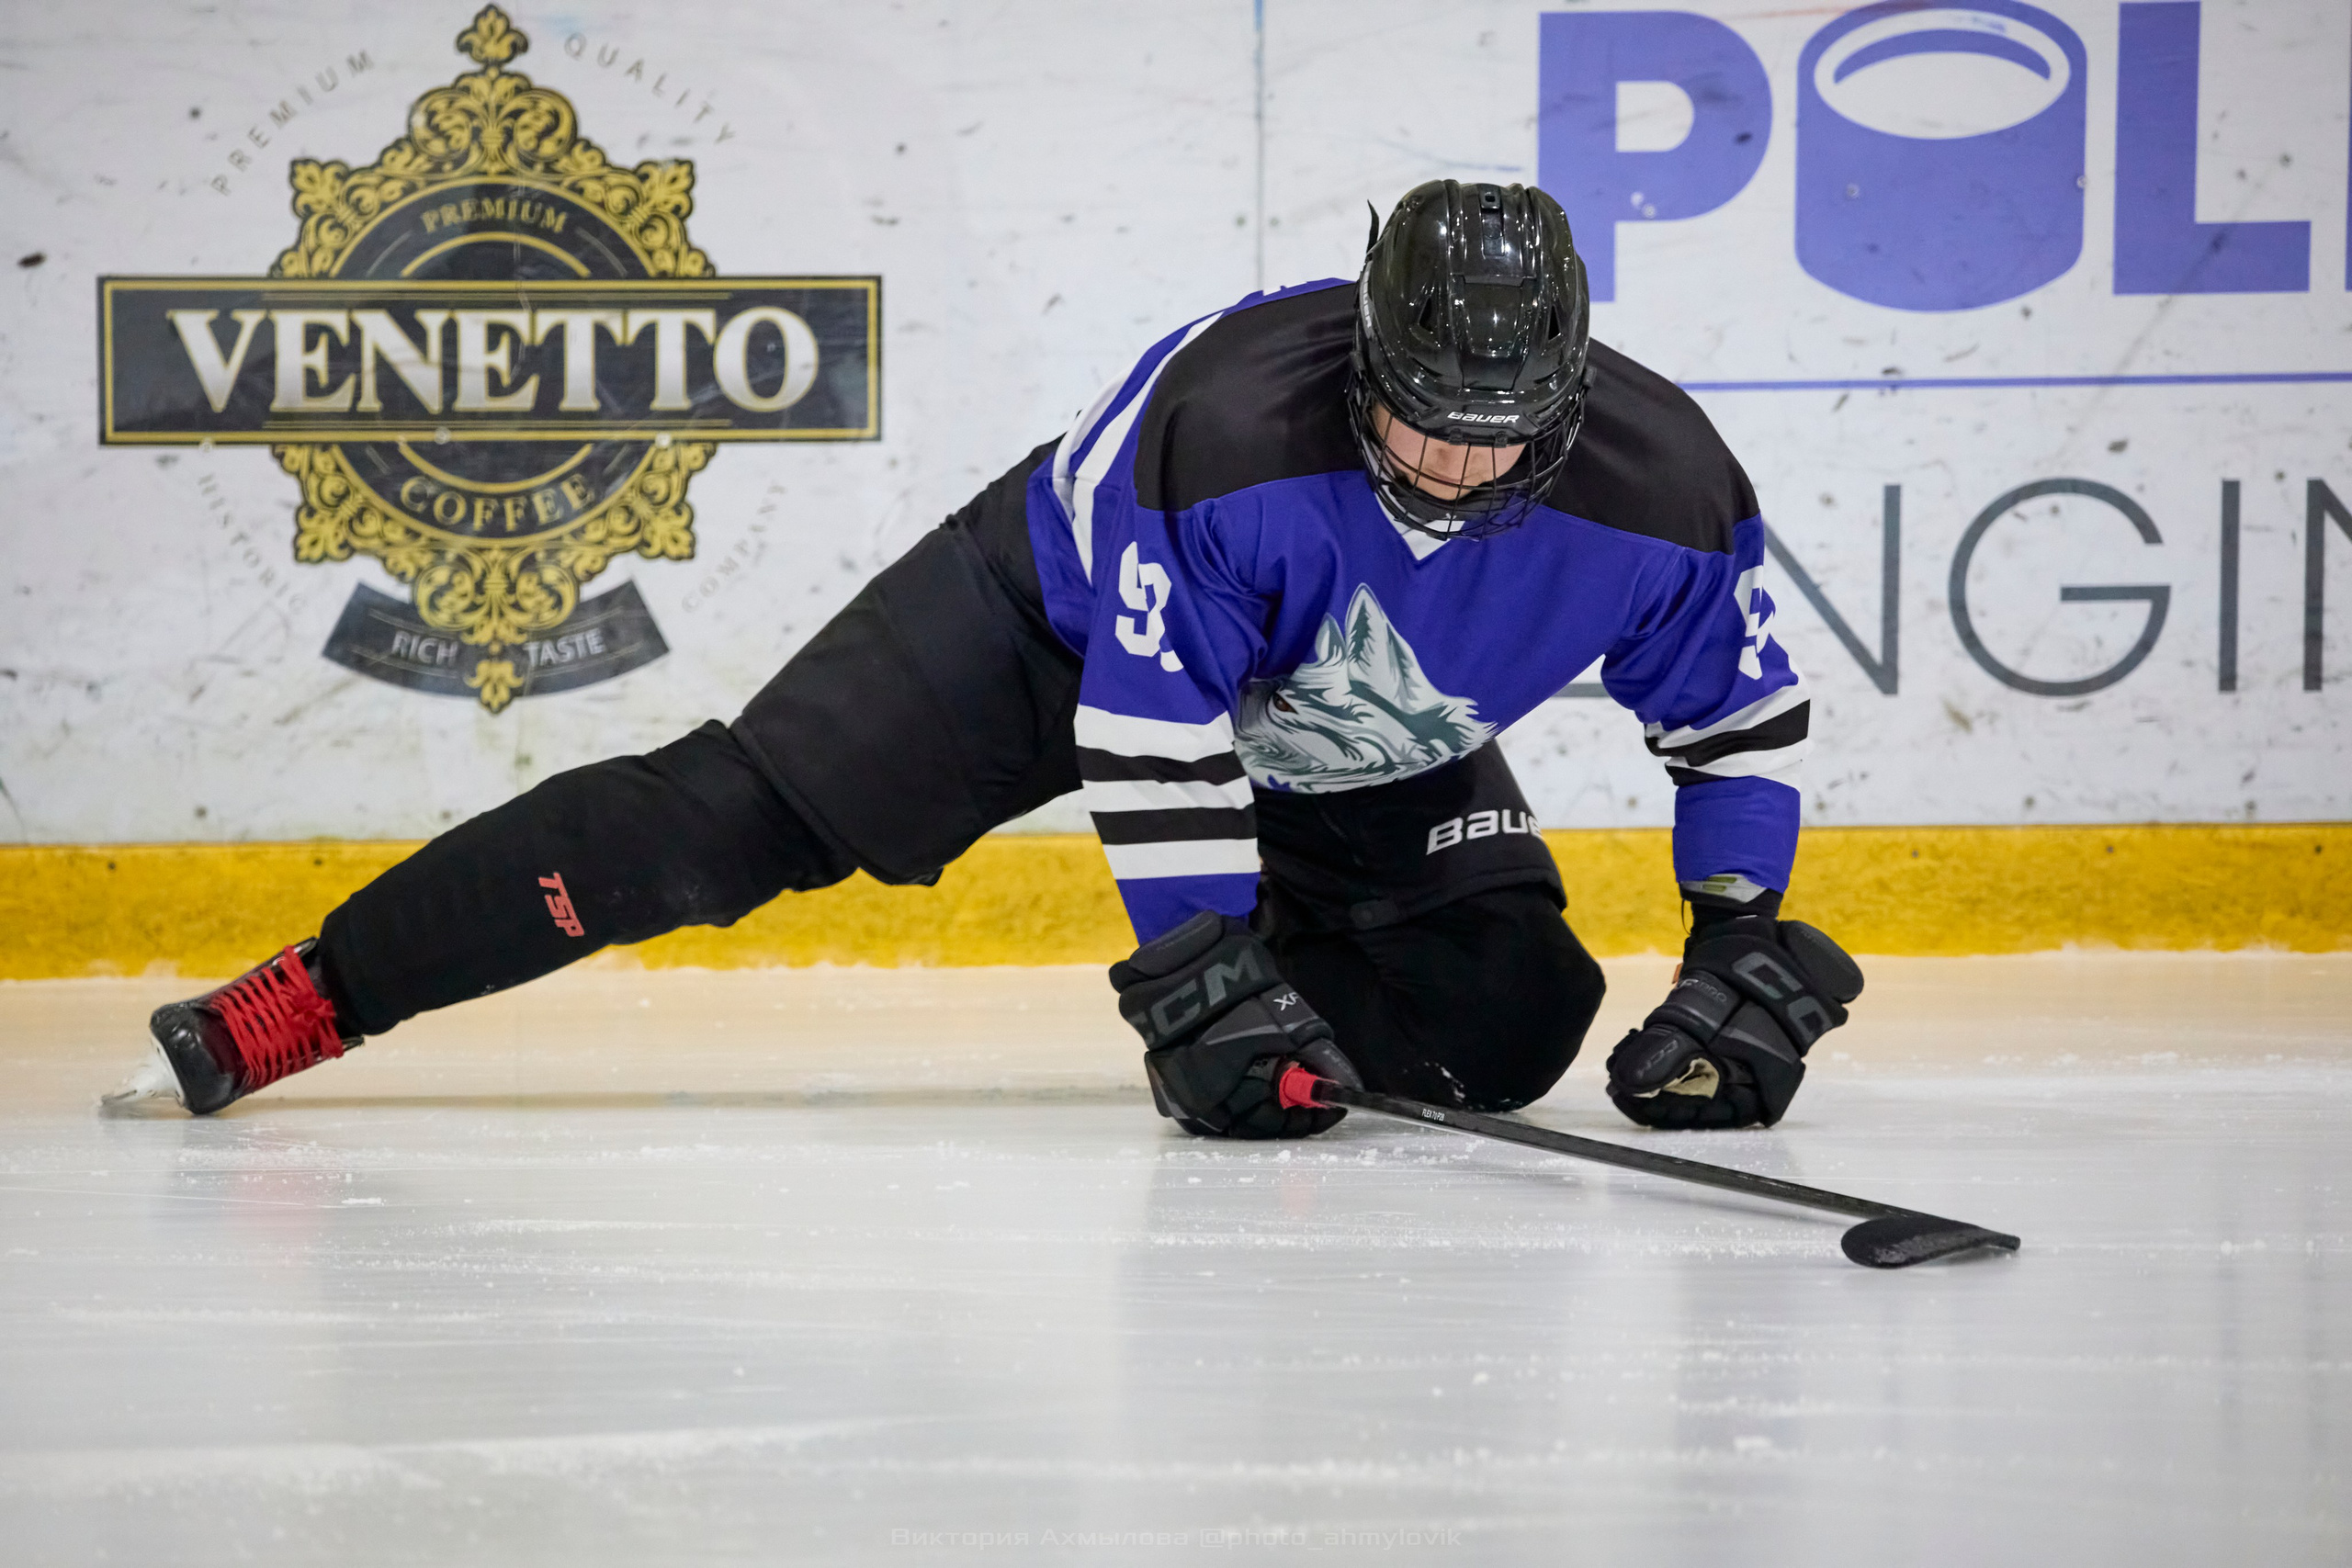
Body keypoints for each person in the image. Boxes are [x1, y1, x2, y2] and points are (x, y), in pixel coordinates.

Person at [125, 180, 1862, 1138]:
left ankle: (1297, 984)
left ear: (1569, 401)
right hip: (1042, 631)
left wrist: (1734, 945)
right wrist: (1197, 967)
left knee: (1511, 1024)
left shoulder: (1672, 490)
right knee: (717, 829)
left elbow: (1739, 718)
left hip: (1356, 713)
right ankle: (311, 997)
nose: (1452, 462)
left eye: (1500, 432)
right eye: (1420, 414)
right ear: (1367, 354)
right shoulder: (1228, 442)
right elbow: (1152, 731)